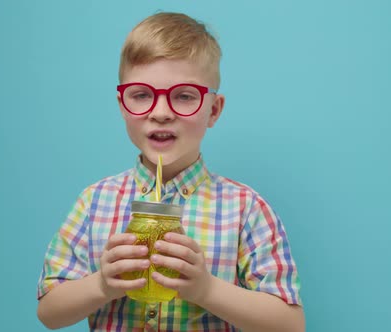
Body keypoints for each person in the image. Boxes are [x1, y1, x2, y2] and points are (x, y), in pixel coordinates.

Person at [36, 12, 304, 332]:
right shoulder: (94, 202)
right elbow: (49, 312)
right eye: (141, 96)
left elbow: (290, 325)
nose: (161, 113)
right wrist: (102, 284)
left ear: (213, 110)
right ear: (123, 106)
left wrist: (207, 289)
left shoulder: (245, 208)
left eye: (184, 96)